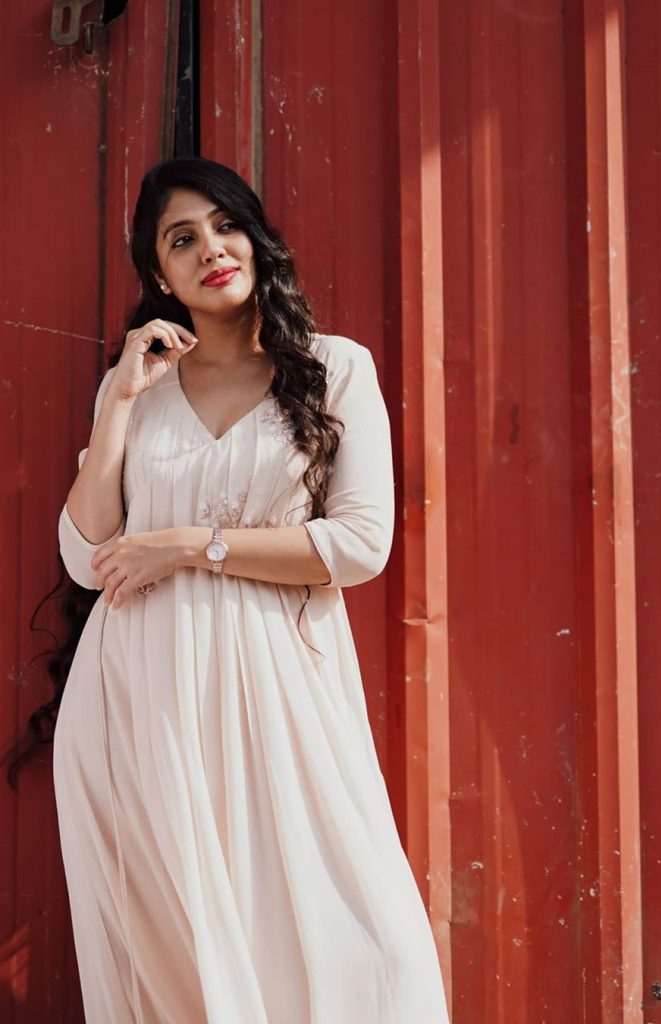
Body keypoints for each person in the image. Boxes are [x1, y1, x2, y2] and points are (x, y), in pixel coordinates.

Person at [53, 156, 450, 1023]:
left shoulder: (333, 367)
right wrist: (119, 400)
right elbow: (86, 555)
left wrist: (189, 544)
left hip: (281, 690)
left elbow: (359, 544)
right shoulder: (139, 391)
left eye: (225, 225)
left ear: (256, 240)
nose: (211, 249)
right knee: (184, 962)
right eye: (181, 239)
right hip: (142, 698)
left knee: (372, 943)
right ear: (160, 276)